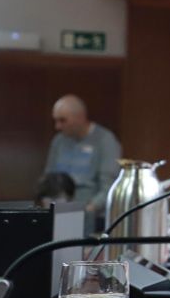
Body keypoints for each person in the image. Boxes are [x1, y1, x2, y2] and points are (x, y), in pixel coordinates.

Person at [45, 94, 121, 227]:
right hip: (58, 214)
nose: (58, 126)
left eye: (63, 120)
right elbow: (48, 178)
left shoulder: (105, 140)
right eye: (56, 120)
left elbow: (110, 187)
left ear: (80, 117)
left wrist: (88, 209)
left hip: (92, 216)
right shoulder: (59, 141)